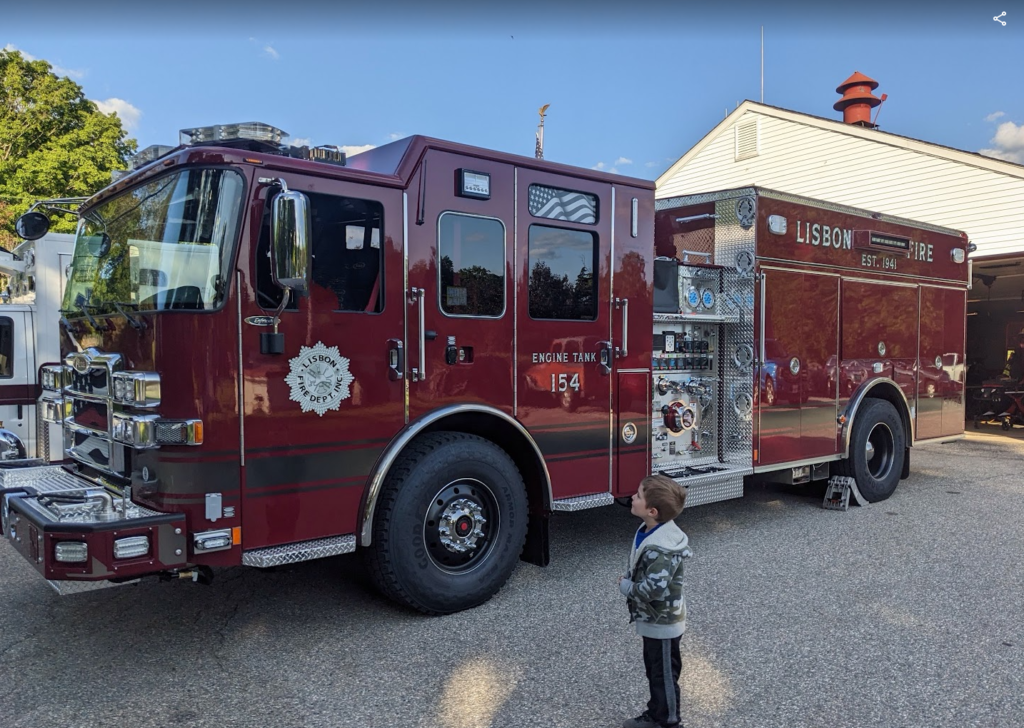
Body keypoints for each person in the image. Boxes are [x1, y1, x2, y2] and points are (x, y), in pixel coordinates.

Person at [619, 474, 692, 728]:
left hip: (663, 623)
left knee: (664, 675)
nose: (632, 497)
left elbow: (653, 590)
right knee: (655, 671)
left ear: (652, 510)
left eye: (638, 495)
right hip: (653, 620)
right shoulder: (648, 530)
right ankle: (657, 713)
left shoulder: (662, 549)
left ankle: (670, 722)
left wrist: (626, 587)